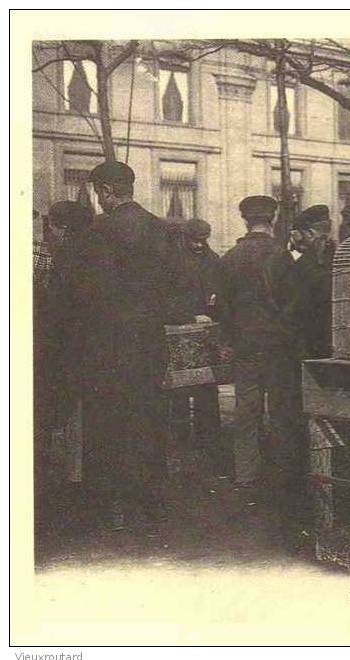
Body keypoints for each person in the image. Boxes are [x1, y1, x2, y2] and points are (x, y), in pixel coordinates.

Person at [82, 160, 194, 531]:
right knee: (149, 419)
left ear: (106, 192)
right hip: (150, 341)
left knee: (110, 422)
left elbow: (97, 293)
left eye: (99, 193)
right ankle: (153, 502)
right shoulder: (161, 228)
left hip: (110, 343)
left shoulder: (100, 230)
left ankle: (114, 505)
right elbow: (180, 289)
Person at [219, 196, 304, 520]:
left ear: (245, 220)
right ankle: (283, 474)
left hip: (245, 345)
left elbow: (223, 307)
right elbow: (295, 302)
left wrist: (231, 337)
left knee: (247, 410)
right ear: (272, 219)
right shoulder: (282, 256)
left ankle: (246, 475)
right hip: (278, 345)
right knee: (281, 409)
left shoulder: (230, 258)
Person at [43, 201, 95, 484]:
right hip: (94, 345)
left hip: (70, 346)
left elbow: (57, 309)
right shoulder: (96, 253)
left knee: (72, 411)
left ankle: (75, 476)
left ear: (62, 227)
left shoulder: (64, 257)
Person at [170, 218, 227, 471]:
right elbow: (164, 299)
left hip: (206, 335)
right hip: (179, 333)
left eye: (203, 240)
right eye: (194, 240)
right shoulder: (171, 261)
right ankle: (179, 443)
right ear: (184, 237)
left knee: (207, 389)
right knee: (178, 392)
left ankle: (210, 443)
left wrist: (216, 307)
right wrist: (189, 316)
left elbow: (222, 293)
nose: (199, 245)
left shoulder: (213, 260)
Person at [292, 204, 336, 359]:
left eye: (298, 236)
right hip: (338, 341)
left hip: (310, 344)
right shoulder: (343, 255)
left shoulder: (301, 265)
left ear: (310, 233)